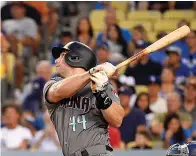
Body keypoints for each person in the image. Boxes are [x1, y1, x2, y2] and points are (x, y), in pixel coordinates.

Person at [43, 41, 124, 156]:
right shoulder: (54, 83)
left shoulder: (102, 83)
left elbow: (117, 120)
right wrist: (91, 73)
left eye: (62, 55)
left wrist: (102, 95)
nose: (56, 61)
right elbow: (57, 92)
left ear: (75, 58)